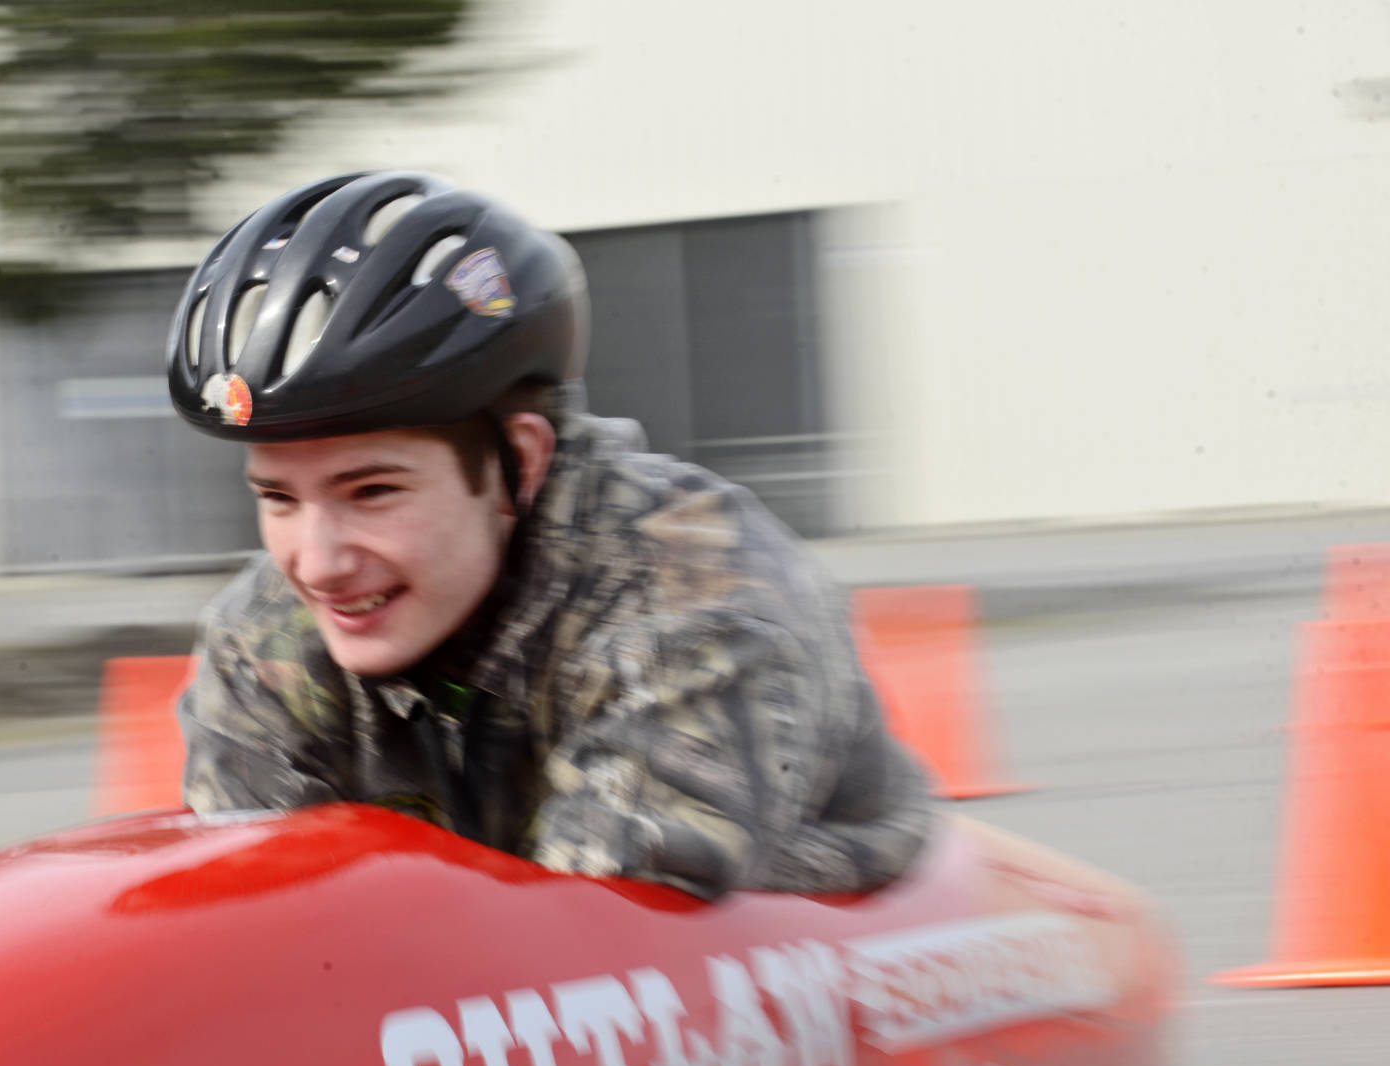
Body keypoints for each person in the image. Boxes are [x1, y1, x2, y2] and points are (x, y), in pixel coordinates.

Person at [167, 171, 934, 899]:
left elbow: (594, 944)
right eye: (278, 498)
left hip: (870, 989)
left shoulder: (695, 606)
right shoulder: (262, 635)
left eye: (372, 491)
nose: (319, 562)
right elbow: (259, 901)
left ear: (519, 464)